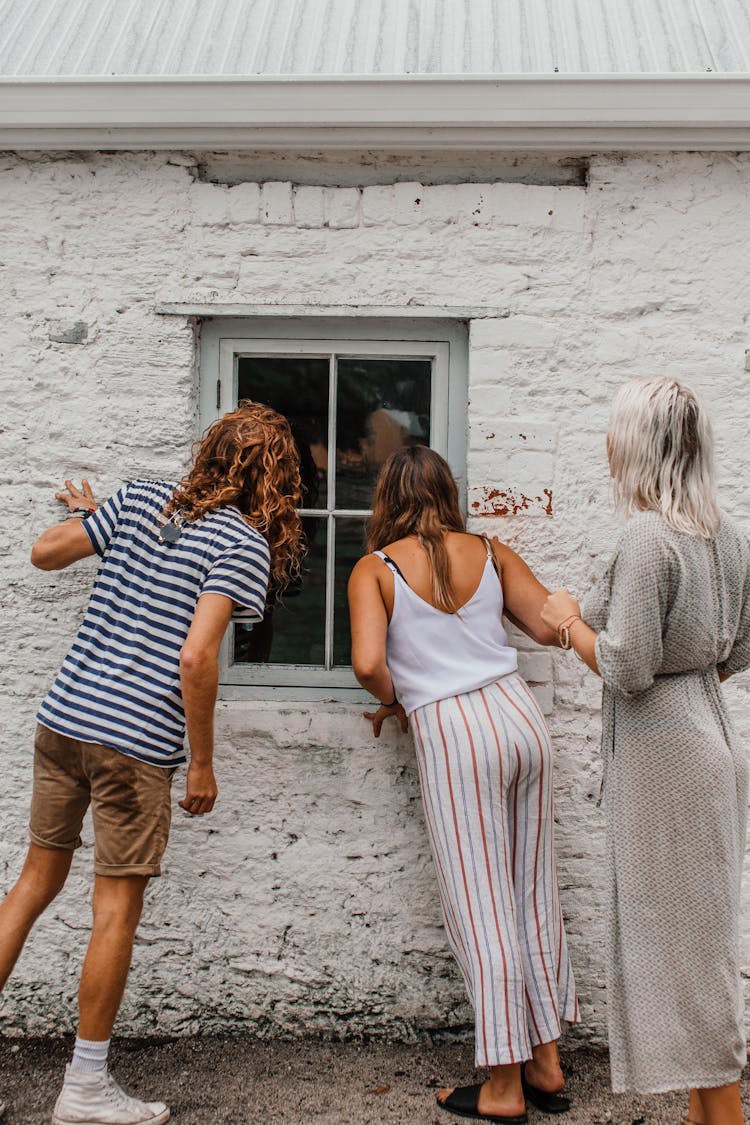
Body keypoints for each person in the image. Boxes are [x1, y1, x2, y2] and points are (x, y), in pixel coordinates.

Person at [0, 402, 302, 1125]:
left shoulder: (139, 500)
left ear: (212, 453)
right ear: (274, 477)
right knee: (114, 911)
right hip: (133, 745)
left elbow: (46, 552)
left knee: (33, 883)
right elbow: (196, 655)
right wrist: (201, 760)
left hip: (64, 718)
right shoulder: (241, 545)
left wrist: (99, 523)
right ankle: (85, 1087)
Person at [348, 445, 578, 1124]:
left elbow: (366, 662)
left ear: (386, 494)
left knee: (482, 907)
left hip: (453, 728)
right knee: (531, 891)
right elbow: (546, 624)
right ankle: (546, 1059)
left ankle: (504, 1085)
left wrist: (398, 695)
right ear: (448, 491)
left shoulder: (376, 568)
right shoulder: (490, 549)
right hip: (516, 715)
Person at [541, 377, 750, 1125]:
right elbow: (738, 648)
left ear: (640, 443)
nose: (605, 442)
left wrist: (569, 628)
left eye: (615, 429)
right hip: (709, 729)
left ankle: (724, 1112)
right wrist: (577, 614)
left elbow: (626, 666)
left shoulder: (646, 537)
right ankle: (704, 1111)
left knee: (687, 944)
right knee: (701, 931)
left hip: (666, 750)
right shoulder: (724, 533)